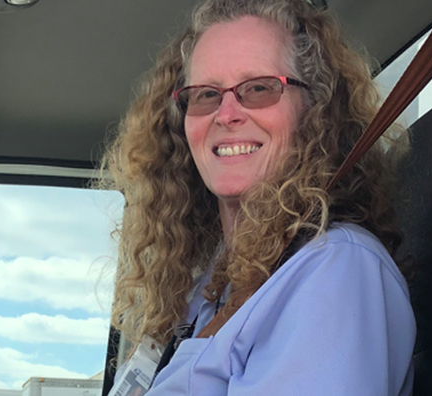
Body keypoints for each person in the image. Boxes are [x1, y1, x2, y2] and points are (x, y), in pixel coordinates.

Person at [101, 0, 415, 394]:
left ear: (314, 109)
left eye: (259, 89)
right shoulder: (212, 287)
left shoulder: (337, 268)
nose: (226, 113)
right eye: (205, 94)